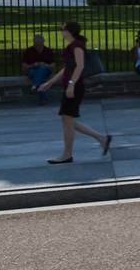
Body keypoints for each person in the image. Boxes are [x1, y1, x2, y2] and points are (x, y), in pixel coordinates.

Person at [34, 20, 110, 164]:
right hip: (72, 87)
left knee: (67, 120)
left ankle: (67, 155)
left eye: (62, 29)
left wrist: (71, 84)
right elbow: (67, 69)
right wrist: (49, 83)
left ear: (69, 32)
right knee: (67, 120)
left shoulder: (77, 46)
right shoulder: (72, 46)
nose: (61, 32)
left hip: (75, 88)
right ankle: (102, 138)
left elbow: (80, 67)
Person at [22, 33, 55, 103]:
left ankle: (34, 86)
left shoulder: (48, 50)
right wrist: (33, 65)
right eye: (36, 44)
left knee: (42, 69)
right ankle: (42, 99)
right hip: (32, 70)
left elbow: (53, 64)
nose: (38, 46)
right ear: (34, 43)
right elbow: (24, 65)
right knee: (41, 76)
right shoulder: (28, 51)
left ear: (43, 42)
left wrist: (46, 65)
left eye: (40, 44)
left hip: (46, 70)